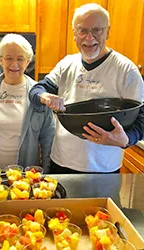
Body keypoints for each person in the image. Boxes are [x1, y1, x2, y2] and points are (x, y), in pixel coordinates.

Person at [29, 3, 144, 174]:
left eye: (97, 30)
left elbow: (142, 117)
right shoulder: (67, 64)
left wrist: (126, 139)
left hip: (103, 169)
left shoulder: (126, 70)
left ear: (108, 31)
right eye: (82, 30)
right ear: (74, 34)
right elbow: (36, 90)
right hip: (60, 162)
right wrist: (45, 96)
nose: (89, 38)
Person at [0, 33, 55, 173]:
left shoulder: (40, 95)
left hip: (26, 175)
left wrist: (46, 172)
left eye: (20, 59)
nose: (14, 64)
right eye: (9, 58)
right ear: (0, 60)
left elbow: (48, 137)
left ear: (28, 61)